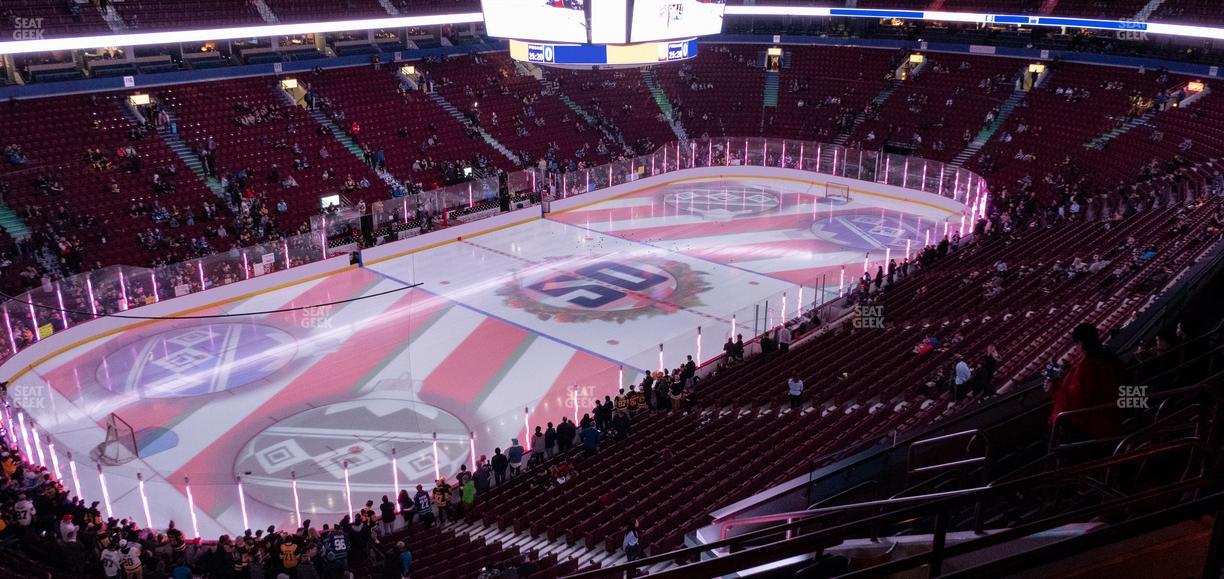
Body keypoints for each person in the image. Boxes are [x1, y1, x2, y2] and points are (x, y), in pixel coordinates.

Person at [1049, 323, 1124, 440]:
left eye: (1077, 344)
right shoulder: (1112, 360)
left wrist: (1054, 389)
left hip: (1095, 428)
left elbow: (1076, 402)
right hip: (1115, 419)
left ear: (1080, 343)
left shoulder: (1088, 366)